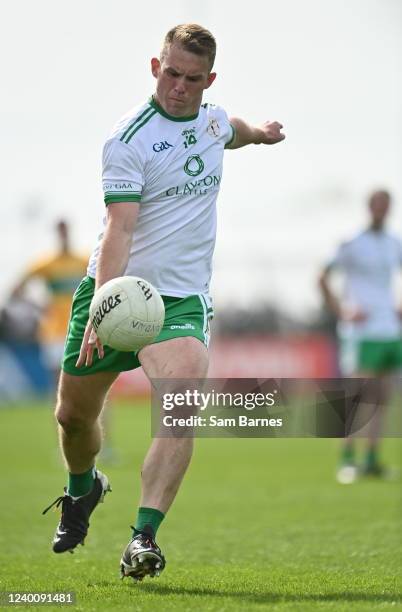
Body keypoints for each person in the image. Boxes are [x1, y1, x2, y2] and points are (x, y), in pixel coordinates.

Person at [42, 24, 285, 580]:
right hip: (114, 289)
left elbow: (235, 131)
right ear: (156, 67)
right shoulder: (127, 139)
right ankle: (83, 489)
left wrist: (262, 134)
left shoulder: (213, 120)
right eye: (171, 73)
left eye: (192, 78)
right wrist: (103, 306)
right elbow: (119, 230)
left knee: (179, 408)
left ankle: (142, 537)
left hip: (179, 302)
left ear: (209, 80)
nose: (179, 86)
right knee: (72, 420)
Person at [319, 190, 402, 483]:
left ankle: (371, 459)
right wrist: (341, 311)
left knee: (383, 396)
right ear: (370, 207)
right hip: (362, 331)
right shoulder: (352, 243)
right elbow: (322, 276)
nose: (382, 210)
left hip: (389, 329)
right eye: (378, 205)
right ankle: (346, 459)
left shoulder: (394, 243)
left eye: (386, 205)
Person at [11, 220, 88, 384]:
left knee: (90, 375)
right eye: (61, 232)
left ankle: (100, 411)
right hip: (55, 330)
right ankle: (60, 410)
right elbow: (15, 290)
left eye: (66, 231)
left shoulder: (83, 261)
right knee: (58, 378)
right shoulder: (46, 263)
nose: (64, 235)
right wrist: (39, 307)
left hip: (81, 325)